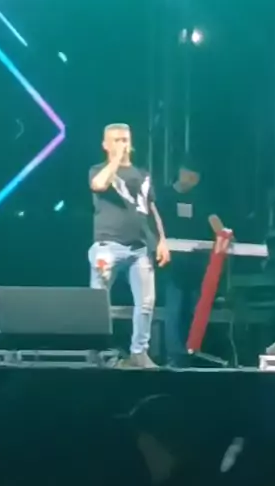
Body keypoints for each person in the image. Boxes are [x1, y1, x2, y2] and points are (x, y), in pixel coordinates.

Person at [88, 123, 170, 368]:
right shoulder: (98, 170)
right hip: (107, 246)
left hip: (139, 248)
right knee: (98, 301)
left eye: (125, 139)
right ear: (105, 145)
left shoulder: (142, 174)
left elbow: (151, 209)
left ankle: (139, 352)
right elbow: (98, 185)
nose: (122, 144)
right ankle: (98, 351)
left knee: (145, 303)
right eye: (116, 140)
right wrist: (114, 161)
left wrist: (162, 240)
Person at [159, 159, 218, 367]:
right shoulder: (164, 196)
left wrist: (223, 234)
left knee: (194, 310)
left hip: (196, 263)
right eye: (190, 175)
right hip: (172, 262)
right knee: (174, 309)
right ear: (181, 171)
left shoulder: (200, 198)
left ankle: (192, 351)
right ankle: (174, 354)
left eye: (196, 178)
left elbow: (212, 217)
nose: (192, 181)